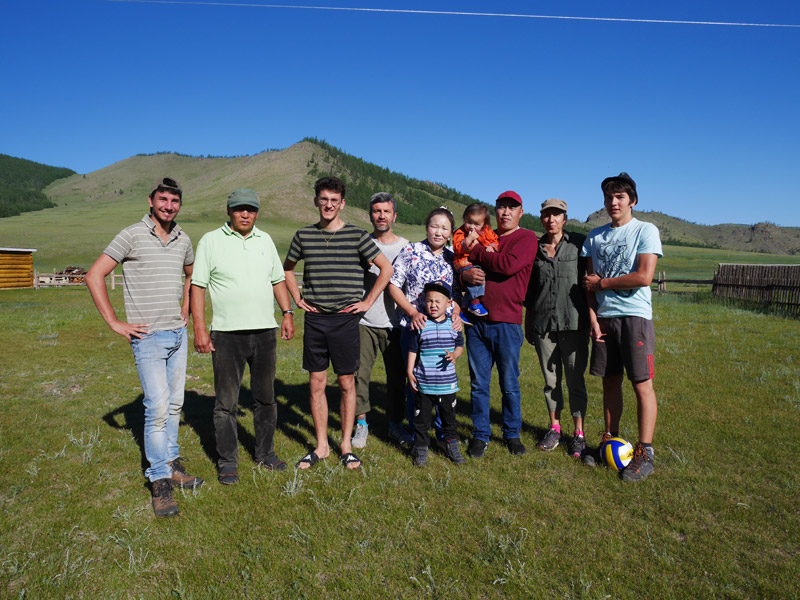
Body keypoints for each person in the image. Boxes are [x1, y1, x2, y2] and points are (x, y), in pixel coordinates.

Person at [86, 177, 199, 518]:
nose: (168, 206)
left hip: (177, 335)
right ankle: (159, 479)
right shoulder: (131, 235)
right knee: (158, 407)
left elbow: (192, 275)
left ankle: (172, 462)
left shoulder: (183, 238)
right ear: (151, 201)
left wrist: (186, 307)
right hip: (147, 337)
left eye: (174, 201)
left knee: (175, 403)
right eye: (163, 199)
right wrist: (114, 322)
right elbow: (94, 275)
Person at [283, 177, 393, 470]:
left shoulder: (357, 235)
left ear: (342, 203)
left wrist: (367, 302)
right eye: (324, 199)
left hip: (345, 320)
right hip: (316, 319)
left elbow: (386, 268)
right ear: (316, 201)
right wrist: (297, 298)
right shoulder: (304, 235)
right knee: (316, 383)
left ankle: (345, 445)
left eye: (334, 200)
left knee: (346, 382)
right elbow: (287, 269)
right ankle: (321, 446)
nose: (329, 205)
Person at [191, 189, 295, 485]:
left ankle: (265, 454)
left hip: (264, 332)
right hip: (227, 335)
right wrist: (200, 328)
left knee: (266, 398)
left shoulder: (265, 240)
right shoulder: (210, 241)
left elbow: (277, 280)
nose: (245, 214)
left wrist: (287, 313)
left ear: (257, 212)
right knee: (226, 403)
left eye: (250, 209)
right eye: (239, 209)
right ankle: (228, 462)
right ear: (229, 211)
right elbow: (198, 286)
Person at [581, 172, 663, 482]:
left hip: (634, 318)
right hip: (604, 318)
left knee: (641, 384)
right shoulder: (594, 237)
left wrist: (603, 283)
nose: (613, 202)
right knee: (610, 382)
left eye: (620, 197)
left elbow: (644, 276)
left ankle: (645, 452)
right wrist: (593, 318)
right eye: (608, 198)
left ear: (633, 201)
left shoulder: (645, 230)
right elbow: (589, 285)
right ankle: (610, 440)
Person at [461, 191, 538, 458]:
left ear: (520, 212)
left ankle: (512, 433)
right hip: (476, 321)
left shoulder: (526, 238)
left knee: (509, 383)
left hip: (507, 322)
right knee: (478, 383)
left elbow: (507, 265)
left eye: (511, 208)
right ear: (495, 211)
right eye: (501, 207)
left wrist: (477, 252)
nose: (506, 212)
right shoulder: (484, 236)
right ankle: (480, 435)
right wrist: (465, 276)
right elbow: (463, 266)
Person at [388, 207, 462, 441]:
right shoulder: (411, 250)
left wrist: (456, 313)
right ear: (427, 227)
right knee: (416, 381)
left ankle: (443, 433)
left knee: (442, 381)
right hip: (415, 329)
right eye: (434, 226)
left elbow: (457, 295)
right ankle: (417, 433)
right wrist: (412, 312)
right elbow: (393, 285)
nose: (438, 232)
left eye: (444, 228)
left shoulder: (452, 258)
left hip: (444, 331)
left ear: (450, 233)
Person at [524, 198, 590, 458]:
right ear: (541, 218)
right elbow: (531, 292)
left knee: (575, 380)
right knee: (551, 381)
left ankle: (578, 434)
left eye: (556, 214)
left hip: (574, 323)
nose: (551, 219)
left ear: (564, 218)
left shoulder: (579, 244)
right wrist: (528, 322)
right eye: (546, 215)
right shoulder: (535, 249)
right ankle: (554, 429)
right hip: (543, 325)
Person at [352, 192, 410, 449]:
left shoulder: (406, 247)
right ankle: (361, 423)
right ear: (370, 215)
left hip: (396, 323)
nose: (381, 216)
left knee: (397, 378)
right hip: (364, 322)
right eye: (377, 211)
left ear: (394, 216)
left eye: (386, 211)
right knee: (359, 376)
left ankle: (395, 424)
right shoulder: (362, 244)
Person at [407, 281, 466, 467]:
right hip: (424, 383)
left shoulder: (454, 325)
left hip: (447, 384)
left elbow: (460, 345)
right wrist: (409, 371)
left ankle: (452, 445)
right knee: (422, 420)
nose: (433, 305)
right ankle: (421, 448)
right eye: (429, 300)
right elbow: (413, 350)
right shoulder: (421, 324)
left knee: (449, 419)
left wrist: (455, 355)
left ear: (449, 304)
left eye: (437, 301)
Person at [452, 203, 499, 319]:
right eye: (469, 222)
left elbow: (494, 240)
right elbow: (457, 248)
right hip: (462, 262)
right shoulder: (460, 232)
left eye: (477, 224)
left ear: (484, 224)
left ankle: (464, 309)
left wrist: (492, 247)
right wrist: (469, 239)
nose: (472, 227)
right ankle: (474, 302)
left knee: (480, 273)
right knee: (478, 274)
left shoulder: (486, 231)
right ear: (464, 219)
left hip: (475, 262)